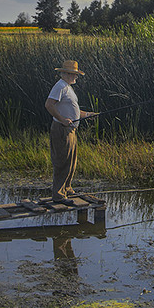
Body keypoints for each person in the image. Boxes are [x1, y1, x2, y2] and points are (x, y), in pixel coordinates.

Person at [45, 60, 95, 202]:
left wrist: (88, 115)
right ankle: (59, 195)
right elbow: (49, 105)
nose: (76, 77)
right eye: (74, 74)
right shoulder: (60, 86)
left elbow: (73, 111)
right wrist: (61, 119)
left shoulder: (67, 87)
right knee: (62, 161)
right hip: (62, 130)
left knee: (71, 161)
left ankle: (67, 189)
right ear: (66, 74)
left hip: (70, 130)